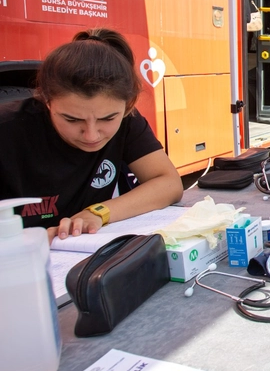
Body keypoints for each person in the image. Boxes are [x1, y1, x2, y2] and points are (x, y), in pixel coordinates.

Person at [0, 28, 183, 242]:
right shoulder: (7, 129)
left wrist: (98, 213)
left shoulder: (128, 120)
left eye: (108, 119)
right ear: (46, 101)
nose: (91, 135)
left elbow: (169, 184)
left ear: (128, 105)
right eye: (72, 119)